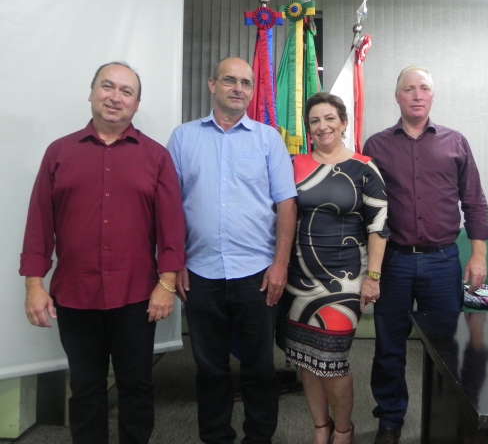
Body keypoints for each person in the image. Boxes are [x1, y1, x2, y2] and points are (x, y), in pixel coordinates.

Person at [20, 62, 186, 444]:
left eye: (127, 91)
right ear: (92, 93)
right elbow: (40, 223)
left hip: (137, 297)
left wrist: (167, 283)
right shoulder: (59, 153)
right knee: (86, 389)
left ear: (137, 103)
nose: (115, 97)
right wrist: (33, 285)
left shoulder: (156, 157)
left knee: (137, 386)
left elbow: (172, 229)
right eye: (107, 87)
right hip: (75, 295)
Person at [362, 66, 488, 444]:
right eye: (409, 89)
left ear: (432, 96)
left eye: (423, 88)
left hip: (442, 262)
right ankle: (390, 420)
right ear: (398, 97)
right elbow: (366, 208)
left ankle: (447, 418)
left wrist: (478, 256)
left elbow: (474, 202)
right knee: (389, 347)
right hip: (395, 261)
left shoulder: (456, 142)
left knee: (446, 347)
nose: (417, 95)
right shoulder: (376, 146)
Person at [167, 57, 297, 444]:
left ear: (253, 90)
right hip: (200, 272)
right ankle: (216, 437)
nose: (238, 88)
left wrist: (280, 265)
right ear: (212, 85)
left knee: (259, 368)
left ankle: (259, 437)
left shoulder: (268, 139)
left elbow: (286, 205)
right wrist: (175, 261)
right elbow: (169, 206)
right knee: (210, 369)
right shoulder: (183, 138)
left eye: (246, 82)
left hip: (257, 274)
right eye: (229, 80)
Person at [283, 92, 389, 444]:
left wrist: (373, 277)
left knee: (332, 360)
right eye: (314, 120)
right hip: (299, 279)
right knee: (307, 359)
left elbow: (379, 226)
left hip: (344, 280)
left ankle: (343, 429)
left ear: (344, 123)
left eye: (330, 118)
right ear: (308, 128)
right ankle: (320, 427)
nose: (322, 126)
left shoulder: (364, 167)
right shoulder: (293, 164)